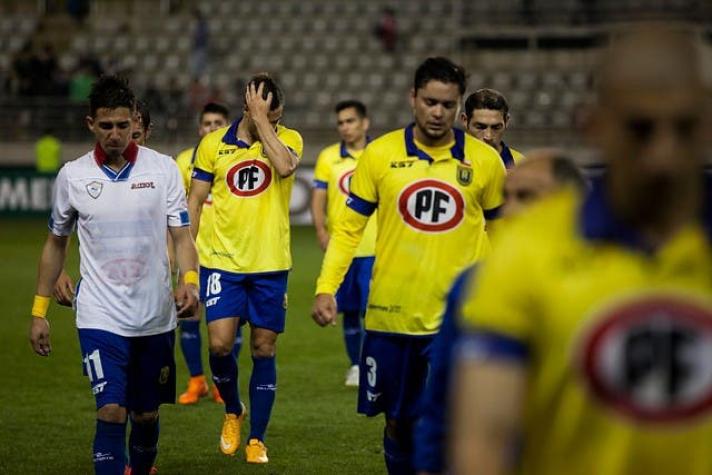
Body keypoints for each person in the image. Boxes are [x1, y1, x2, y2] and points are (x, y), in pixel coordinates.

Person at [452, 27, 712, 475]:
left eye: (685, 128)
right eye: (641, 129)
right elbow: (485, 446)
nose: (663, 154)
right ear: (594, 126)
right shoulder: (525, 253)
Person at [312, 57, 506, 474]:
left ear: (459, 108)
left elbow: (503, 235)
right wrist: (326, 286)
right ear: (413, 98)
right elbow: (348, 230)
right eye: (430, 102)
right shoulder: (380, 156)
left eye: (448, 105)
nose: (438, 113)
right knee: (397, 422)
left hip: (457, 318)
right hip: (390, 316)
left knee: (450, 423)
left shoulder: (486, 162)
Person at [28, 75, 199, 475]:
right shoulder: (73, 175)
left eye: (123, 125)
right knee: (110, 409)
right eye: (106, 126)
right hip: (99, 315)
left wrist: (189, 280)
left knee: (145, 415)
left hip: (155, 315)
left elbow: (182, 236)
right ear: (91, 124)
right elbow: (55, 242)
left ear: (134, 120)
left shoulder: (164, 169)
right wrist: (39, 310)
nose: (116, 134)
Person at [413, 151, 588, 475]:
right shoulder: (474, 283)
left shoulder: (611, 280)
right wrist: (428, 464)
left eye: (527, 196)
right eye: (507, 196)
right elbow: (443, 393)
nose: (510, 209)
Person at [188, 73, 302, 464]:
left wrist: (264, 123)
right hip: (222, 262)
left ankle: (257, 438)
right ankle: (233, 409)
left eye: (273, 113)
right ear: (245, 107)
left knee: (263, 347)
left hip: (271, 265)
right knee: (219, 344)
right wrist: (185, 258)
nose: (267, 117)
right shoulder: (213, 146)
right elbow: (195, 201)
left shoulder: (290, 139)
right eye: (258, 111)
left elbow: (285, 167)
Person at [53, 100, 154, 307]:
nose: (126, 141)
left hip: (150, 297)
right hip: (99, 301)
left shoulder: (162, 173)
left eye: (135, 136)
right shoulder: (79, 175)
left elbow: (180, 233)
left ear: (146, 133)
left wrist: (184, 278)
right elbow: (61, 233)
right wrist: (58, 270)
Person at [174, 102, 243, 405]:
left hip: (231, 254)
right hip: (196, 253)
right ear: (199, 127)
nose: (212, 128)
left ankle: (220, 382)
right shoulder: (183, 161)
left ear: (228, 126)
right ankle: (196, 380)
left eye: (219, 123)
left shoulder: (239, 158)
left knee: (232, 324)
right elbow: (175, 210)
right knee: (189, 316)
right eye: (207, 123)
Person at [311, 99, 375, 387]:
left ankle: (375, 364)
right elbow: (318, 199)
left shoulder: (378, 154)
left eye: (351, 121)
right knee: (348, 310)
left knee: (373, 312)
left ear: (365, 123)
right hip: (344, 248)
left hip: (376, 246)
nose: (345, 127)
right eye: (341, 122)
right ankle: (356, 366)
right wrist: (321, 231)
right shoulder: (328, 157)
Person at [462, 88, 525, 169]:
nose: (488, 136)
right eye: (480, 127)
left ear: (507, 121)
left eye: (496, 127)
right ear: (465, 120)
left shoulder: (520, 165)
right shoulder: (448, 160)